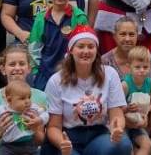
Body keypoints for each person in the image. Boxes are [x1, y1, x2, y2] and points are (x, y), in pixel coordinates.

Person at [43, 26, 132, 155]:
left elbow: (116, 114)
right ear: (71, 50)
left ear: (96, 50)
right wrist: (62, 143)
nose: (86, 51)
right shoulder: (56, 80)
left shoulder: (110, 74)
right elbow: (53, 127)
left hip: (98, 134)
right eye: (81, 46)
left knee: (123, 144)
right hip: (68, 136)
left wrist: (117, 128)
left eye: (91, 47)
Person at [101, 17, 151, 155]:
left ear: (137, 36)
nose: (127, 38)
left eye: (131, 34)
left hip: (142, 115)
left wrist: (148, 112)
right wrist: (124, 117)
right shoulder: (105, 62)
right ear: (114, 36)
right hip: (114, 117)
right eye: (123, 34)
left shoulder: (144, 59)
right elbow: (102, 100)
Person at [27, 0, 90, 89]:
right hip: (44, 73)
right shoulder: (41, 17)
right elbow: (34, 47)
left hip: (71, 72)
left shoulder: (79, 17)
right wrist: (36, 71)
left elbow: (84, 46)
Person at [0, 45, 49, 149]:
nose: (17, 68)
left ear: (29, 68)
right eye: (12, 64)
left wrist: (35, 128)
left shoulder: (41, 96)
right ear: (3, 69)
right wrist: (0, 132)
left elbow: (40, 142)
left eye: (22, 64)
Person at [0, 80, 47, 155]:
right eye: (22, 98)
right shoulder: (2, 110)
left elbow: (45, 114)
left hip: (29, 143)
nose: (27, 101)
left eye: (29, 97)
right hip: (9, 145)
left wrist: (40, 119)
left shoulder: (32, 107)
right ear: (9, 100)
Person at [121, 47, 151, 155]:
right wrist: (127, 109)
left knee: (147, 144)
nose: (142, 70)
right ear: (129, 67)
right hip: (123, 124)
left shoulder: (149, 83)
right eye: (137, 67)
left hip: (139, 123)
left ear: (150, 67)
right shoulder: (125, 85)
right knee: (127, 148)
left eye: (145, 67)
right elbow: (115, 108)